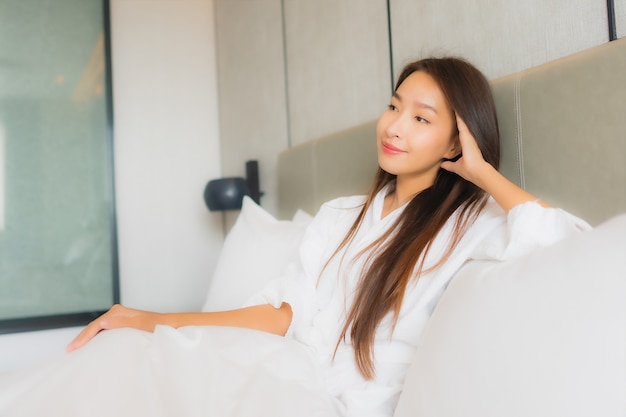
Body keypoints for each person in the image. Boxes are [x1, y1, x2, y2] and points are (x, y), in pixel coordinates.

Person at [0, 57, 588, 417]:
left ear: (457, 142)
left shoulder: (471, 229)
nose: (393, 125)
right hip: (283, 372)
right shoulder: (341, 217)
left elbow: (564, 246)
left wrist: (482, 174)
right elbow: (281, 317)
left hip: (337, 405)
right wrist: (152, 319)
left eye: (421, 117)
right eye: (393, 105)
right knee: (129, 356)